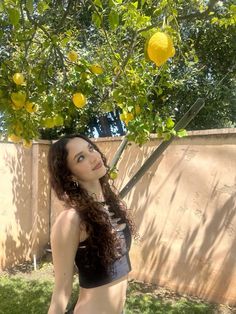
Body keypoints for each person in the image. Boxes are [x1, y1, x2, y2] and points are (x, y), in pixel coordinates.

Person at [47, 134, 136, 314]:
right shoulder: (71, 220)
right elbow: (61, 291)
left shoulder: (114, 205)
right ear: (70, 175)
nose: (94, 157)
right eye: (80, 158)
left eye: (91, 149)